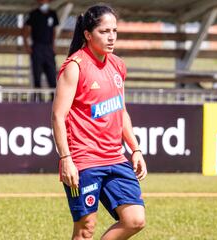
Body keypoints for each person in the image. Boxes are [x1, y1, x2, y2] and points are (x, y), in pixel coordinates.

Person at [51, 4, 147, 240]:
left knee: (135, 219)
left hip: (115, 158)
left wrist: (134, 148)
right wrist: (66, 159)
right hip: (84, 161)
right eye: (104, 31)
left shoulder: (118, 65)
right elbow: (57, 116)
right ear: (87, 34)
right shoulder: (75, 67)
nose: (111, 37)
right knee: (85, 231)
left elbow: (120, 111)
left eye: (114, 30)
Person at [23, 0, 59, 100]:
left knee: (52, 74)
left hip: (48, 48)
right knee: (37, 75)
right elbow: (26, 30)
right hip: (37, 47)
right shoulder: (34, 14)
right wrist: (27, 46)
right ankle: (38, 99)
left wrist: (53, 46)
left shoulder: (53, 14)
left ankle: (54, 99)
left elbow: (54, 31)